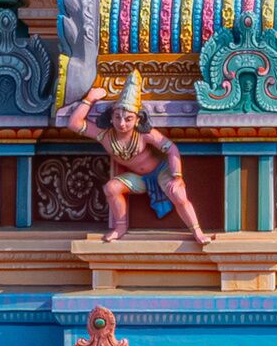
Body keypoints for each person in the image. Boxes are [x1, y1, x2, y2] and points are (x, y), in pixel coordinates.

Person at [58, 73, 210, 247]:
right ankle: (120, 227)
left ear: (138, 119)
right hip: (139, 180)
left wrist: (177, 176)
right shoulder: (105, 135)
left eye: (128, 119)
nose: (122, 124)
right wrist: (90, 98)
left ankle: (197, 231)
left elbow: (171, 148)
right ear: (111, 117)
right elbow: (74, 124)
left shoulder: (144, 135)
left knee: (177, 193)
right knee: (111, 188)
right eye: (117, 118)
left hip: (161, 172)